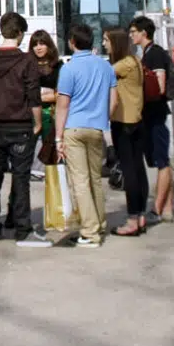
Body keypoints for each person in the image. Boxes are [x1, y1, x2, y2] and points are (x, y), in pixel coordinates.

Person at [0, 11, 48, 247]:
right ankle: (22, 228)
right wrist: (37, 122)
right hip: (21, 126)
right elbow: (33, 97)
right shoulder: (27, 61)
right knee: (21, 177)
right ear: (19, 33)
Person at [53, 23, 115, 248]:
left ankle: (90, 232)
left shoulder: (68, 69)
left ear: (71, 42)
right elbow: (113, 99)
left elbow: (62, 105)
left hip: (74, 128)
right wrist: (103, 119)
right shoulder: (105, 66)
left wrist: (58, 137)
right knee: (95, 179)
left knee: (79, 181)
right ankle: (99, 222)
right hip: (97, 127)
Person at [129, 15, 174, 224]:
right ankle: (167, 209)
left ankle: (156, 209)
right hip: (150, 114)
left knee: (162, 162)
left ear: (143, 33)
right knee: (160, 160)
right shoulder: (146, 54)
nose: (131, 36)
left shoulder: (155, 54)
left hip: (155, 114)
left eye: (133, 32)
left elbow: (160, 86)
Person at [106, 27, 148, 237]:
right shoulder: (136, 61)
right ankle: (140, 215)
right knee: (138, 169)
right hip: (137, 120)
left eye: (106, 40)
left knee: (129, 170)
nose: (104, 44)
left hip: (123, 122)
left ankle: (132, 218)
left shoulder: (123, 65)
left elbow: (102, 74)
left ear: (116, 43)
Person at [29, 29, 71, 231]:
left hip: (53, 117)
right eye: (35, 43)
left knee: (55, 165)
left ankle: (58, 211)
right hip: (30, 118)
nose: (38, 47)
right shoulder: (26, 65)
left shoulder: (59, 67)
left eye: (42, 43)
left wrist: (43, 97)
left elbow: (62, 94)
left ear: (49, 45)